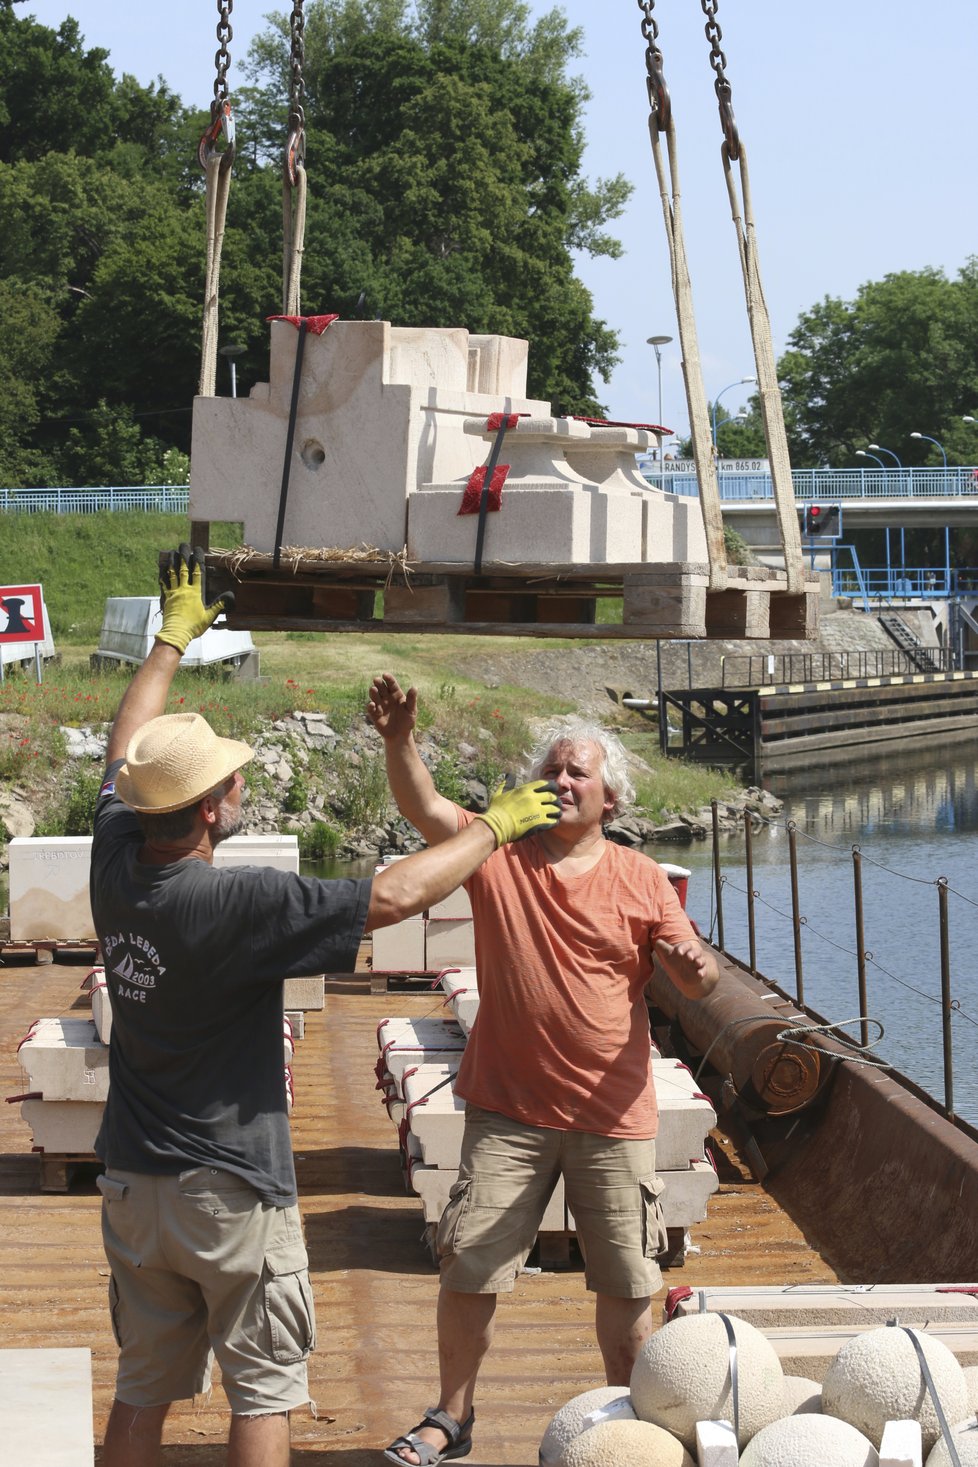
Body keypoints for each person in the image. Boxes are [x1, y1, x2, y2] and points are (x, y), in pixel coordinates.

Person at [90, 548, 561, 1467]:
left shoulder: (116, 861)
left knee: (141, 1386)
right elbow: (389, 898)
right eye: (233, 780)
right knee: (262, 1387)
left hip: (130, 1184)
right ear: (216, 811)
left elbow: (124, 751)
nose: (241, 785)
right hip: (227, 1190)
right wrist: (492, 828)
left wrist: (170, 642)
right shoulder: (240, 904)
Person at [367, 673, 720, 1467]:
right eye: (552, 769)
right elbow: (425, 810)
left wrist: (695, 967)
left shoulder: (641, 880)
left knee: (628, 1282)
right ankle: (450, 1419)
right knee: (471, 1268)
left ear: (611, 800)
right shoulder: (498, 854)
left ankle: (631, 1425)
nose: (561, 781)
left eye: (578, 772)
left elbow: (696, 976)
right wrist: (399, 741)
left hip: (612, 1116)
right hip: (509, 1110)